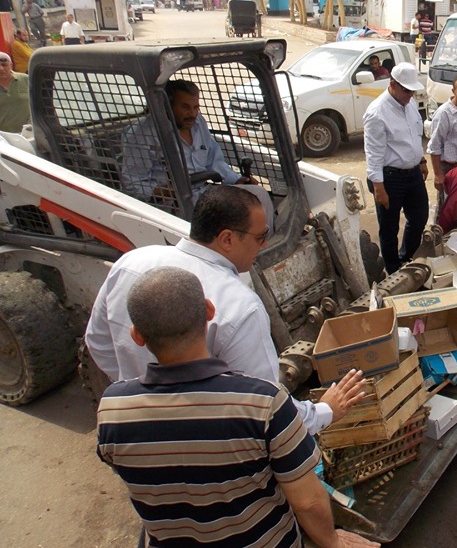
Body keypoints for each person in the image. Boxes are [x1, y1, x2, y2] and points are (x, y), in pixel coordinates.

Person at [97, 267, 380, 548]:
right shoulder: (262, 402)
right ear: (208, 311)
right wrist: (331, 541)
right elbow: (308, 500)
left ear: (137, 335)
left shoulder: (113, 410)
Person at [85, 185, 363, 436]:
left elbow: (98, 343)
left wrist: (133, 384)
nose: (264, 244)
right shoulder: (238, 305)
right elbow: (267, 407)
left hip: (142, 435)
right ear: (227, 239)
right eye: (261, 236)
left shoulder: (131, 262)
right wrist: (325, 410)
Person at [121, 79, 258, 206]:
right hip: (172, 204)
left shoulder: (199, 123)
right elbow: (133, 184)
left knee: (257, 195)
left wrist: (236, 180)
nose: (192, 114)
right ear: (167, 106)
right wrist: (165, 192)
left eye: (195, 107)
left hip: (203, 193)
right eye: (185, 107)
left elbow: (214, 161)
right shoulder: (142, 133)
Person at [363, 62, 429, 274]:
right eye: (406, 90)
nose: (410, 95)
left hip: (412, 175)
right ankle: (392, 269)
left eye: (412, 91)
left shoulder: (409, 105)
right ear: (392, 84)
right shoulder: (377, 112)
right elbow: (373, 153)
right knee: (389, 227)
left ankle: (407, 258)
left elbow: (415, 135)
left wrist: (421, 160)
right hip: (389, 178)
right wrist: (378, 187)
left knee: (419, 217)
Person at [0, 52, 31, 134]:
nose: (1, 68)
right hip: (3, 139)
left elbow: (39, 103)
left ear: (11, 65)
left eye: (4, 65)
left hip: (29, 134)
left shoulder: (25, 79)